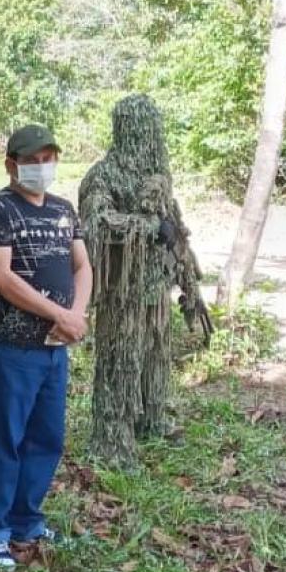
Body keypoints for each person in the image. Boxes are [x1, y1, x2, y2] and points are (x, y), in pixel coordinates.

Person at [0, 124, 92, 569]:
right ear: (11, 164)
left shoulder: (63, 210)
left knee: (47, 438)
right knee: (6, 439)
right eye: (31, 160)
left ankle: (27, 520)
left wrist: (75, 314)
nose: (41, 168)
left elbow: (82, 266)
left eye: (48, 159)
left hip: (54, 349)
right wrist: (59, 314)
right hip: (13, 348)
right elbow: (1, 277)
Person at [78, 94, 211, 464]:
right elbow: (96, 224)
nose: (152, 137)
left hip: (156, 291)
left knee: (155, 360)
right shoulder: (103, 175)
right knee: (120, 364)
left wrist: (188, 281)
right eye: (144, 129)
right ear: (127, 130)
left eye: (155, 128)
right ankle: (112, 440)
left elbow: (176, 232)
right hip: (122, 293)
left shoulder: (158, 177)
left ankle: (152, 420)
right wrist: (149, 227)